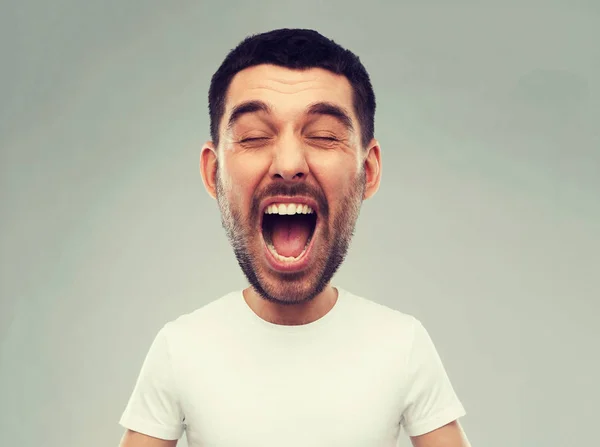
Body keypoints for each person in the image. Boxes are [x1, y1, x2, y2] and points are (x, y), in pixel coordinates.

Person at [118, 28, 470, 447]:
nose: (288, 164)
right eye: (252, 136)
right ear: (214, 173)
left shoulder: (402, 343)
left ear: (369, 171)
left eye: (322, 135)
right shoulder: (180, 347)